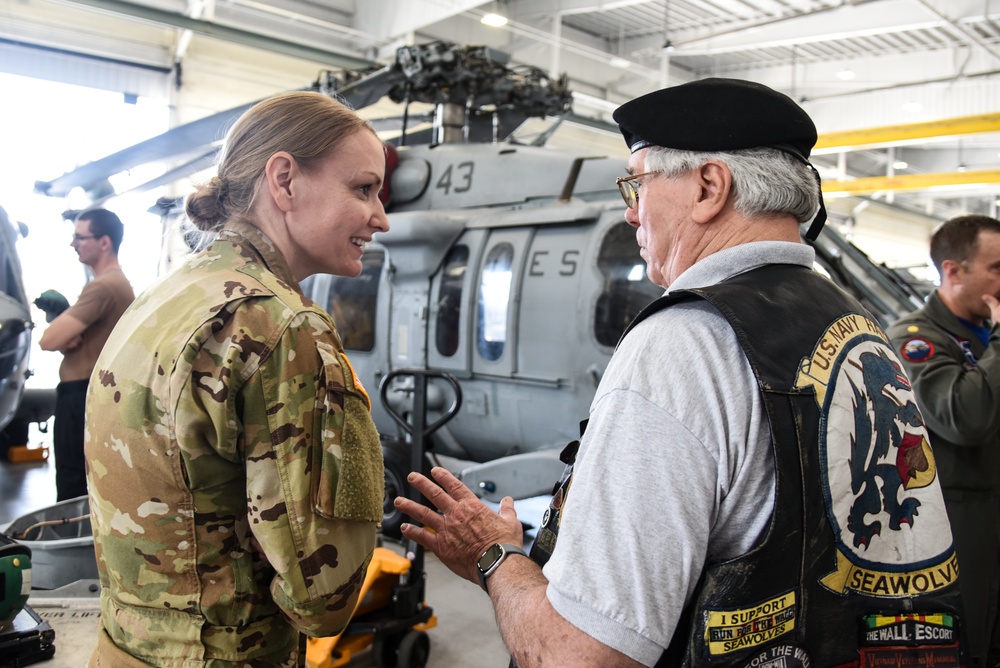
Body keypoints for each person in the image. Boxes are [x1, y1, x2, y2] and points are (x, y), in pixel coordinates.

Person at [396, 78, 968, 666]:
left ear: (707, 187)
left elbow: (582, 656)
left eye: (637, 186)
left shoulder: (685, 343)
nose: (630, 214)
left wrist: (495, 559)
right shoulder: (854, 323)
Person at [84, 91, 389, 666]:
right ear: (284, 179)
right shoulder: (279, 326)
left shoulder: (169, 295)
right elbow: (322, 600)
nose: (380, 217)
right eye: (363, 188)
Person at [887, 214, 1000, 667]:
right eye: (997, 267)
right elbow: (966, 418)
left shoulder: (986, 337)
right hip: (962, 539)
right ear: (953, 271)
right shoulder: (915, 341)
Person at [38, 208, 134, 501]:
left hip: (81, 397)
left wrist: (60, 329)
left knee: (73, 483)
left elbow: (48, 340)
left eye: (80, 237)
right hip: (89, 395)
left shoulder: (103, 287)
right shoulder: (112, 284)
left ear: (104, 242)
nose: (74, 244)